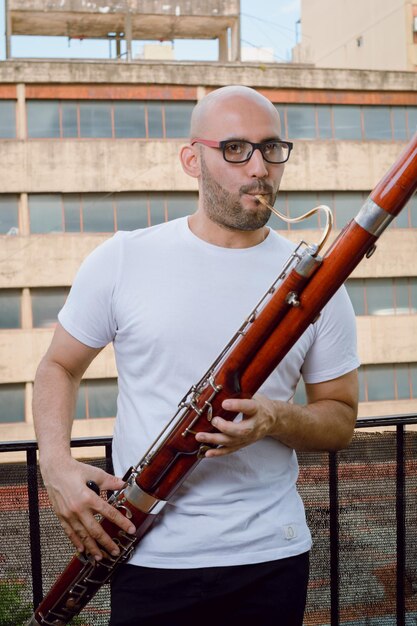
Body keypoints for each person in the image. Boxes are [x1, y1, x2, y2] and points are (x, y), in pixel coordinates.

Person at [33, 85, 359, 626]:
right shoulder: (124, 258)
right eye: (234, 148)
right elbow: (57, 367)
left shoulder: (323, 285)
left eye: (271, 148)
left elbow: (341, 417)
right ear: (192, 159)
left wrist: (274, 418)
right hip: (147, 554)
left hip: (270, 557)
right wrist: (55, 464)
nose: (258, 167)